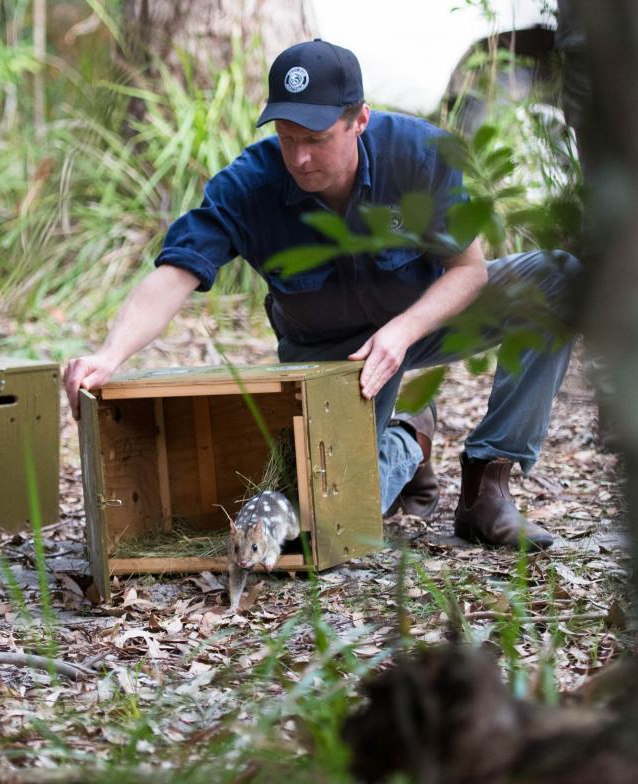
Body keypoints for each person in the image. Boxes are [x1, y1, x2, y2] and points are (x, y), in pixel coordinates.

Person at [60, 39, 578, 549]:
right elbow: (176, 273)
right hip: (331, 358)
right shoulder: (250, 185)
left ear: (359, 120)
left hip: (424, 318)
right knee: (323, 521)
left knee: (561, 279)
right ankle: (407, 439)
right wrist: (109, 354)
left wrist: (401, 332)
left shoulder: (417, 155)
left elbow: (469, 272)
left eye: (317, 137)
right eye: (287, 137)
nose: (301, 158)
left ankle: (487, 483)